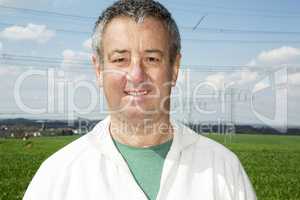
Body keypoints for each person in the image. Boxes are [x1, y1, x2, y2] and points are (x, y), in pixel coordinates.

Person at [23, 0, 257, 200]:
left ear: (174, 68)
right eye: (120, 59)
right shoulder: (56, 176)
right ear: (98, 69)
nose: (136, 75)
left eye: (152, 59)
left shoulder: (224, 168)